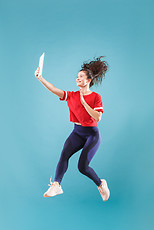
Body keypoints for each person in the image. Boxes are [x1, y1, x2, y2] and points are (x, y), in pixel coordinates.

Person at [34, 56, 110, 201]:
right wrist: (40, 78)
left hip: (91, 135)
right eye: (77, 76)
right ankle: (57, 185)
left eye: (81, 76)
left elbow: (98, 117)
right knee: (64, 155)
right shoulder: (72, 95)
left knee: (82, 167)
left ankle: (101, 184)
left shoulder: (95, 97)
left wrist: (85, 103)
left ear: (88, 80)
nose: (77, 78)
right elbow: (54, 90)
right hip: (77, 132)